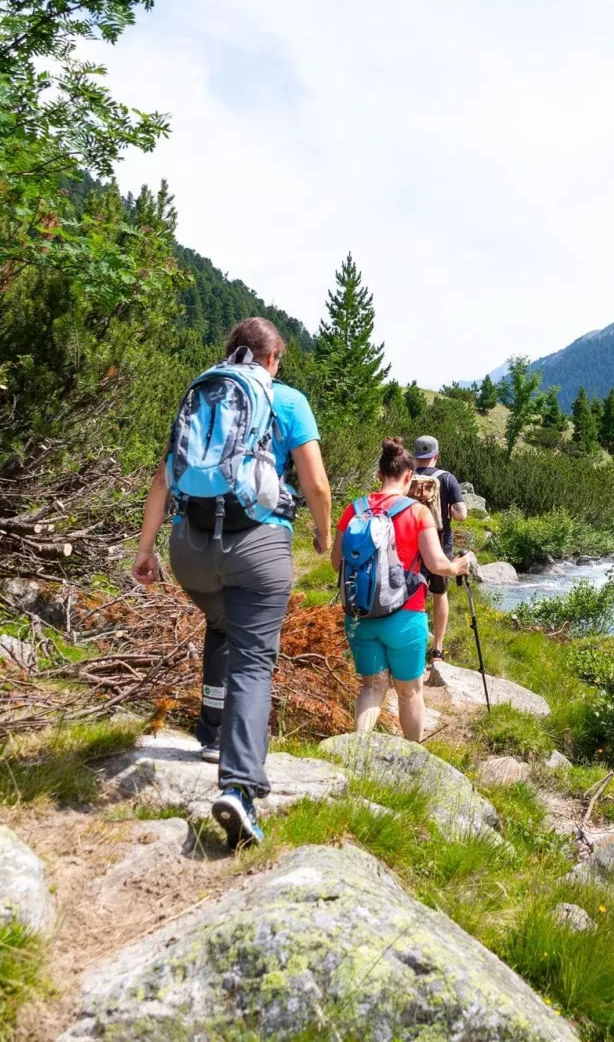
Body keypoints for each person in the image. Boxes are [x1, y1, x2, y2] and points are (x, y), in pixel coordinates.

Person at [131, 317, 331, 851]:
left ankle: (211, 733)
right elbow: (314, 482)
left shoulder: (203, 391)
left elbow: (163, 475)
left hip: (188, 548)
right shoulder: (285, 399)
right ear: (272, 358)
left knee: (221, 621)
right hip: (257, 546)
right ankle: (240, 788)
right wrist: (322, 534)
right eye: (279, 360)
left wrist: (146, 549)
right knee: (253, 656)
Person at [332, 438, 474, 740]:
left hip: (360, 614)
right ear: (409, 477)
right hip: (405, 616)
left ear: (379, 475)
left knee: (372, 686)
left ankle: (357, 752)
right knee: (410, 692)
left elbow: (335, 562)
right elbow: (437, 564)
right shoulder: (417, 512)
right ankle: (413, 760)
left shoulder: (353, 510)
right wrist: (459, 567)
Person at [412, 435, 467, 660]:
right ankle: (437, 649)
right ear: (436, 455)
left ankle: (411, 646)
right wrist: (452, 512)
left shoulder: (406, 477)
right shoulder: (447, 478)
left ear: (415, 456)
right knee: (439, 593)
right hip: (439, 543)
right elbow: (462, 514)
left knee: (412, 594)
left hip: (410, 543)